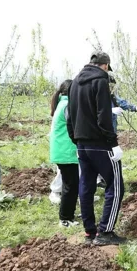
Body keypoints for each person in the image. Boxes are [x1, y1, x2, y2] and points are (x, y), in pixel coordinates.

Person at [66, 50, 126, 246]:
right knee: (116, 186)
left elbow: (69, 115)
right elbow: (104, 116)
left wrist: (76, 139)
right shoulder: (101, 81)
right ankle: (105, 232)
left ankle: (89, 232)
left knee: (86, 186)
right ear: (106, 66)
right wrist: (113, 143)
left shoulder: (74, 82)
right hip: (101, 144)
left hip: (82, 145)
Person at [49, 80, 80, 227]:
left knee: (71, 184)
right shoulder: (68, 105)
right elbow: (73, 127)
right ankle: (65, 219)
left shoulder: (62, 103)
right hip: (66, 151)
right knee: (70, 185)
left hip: (62, 150)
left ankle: (69, 214)